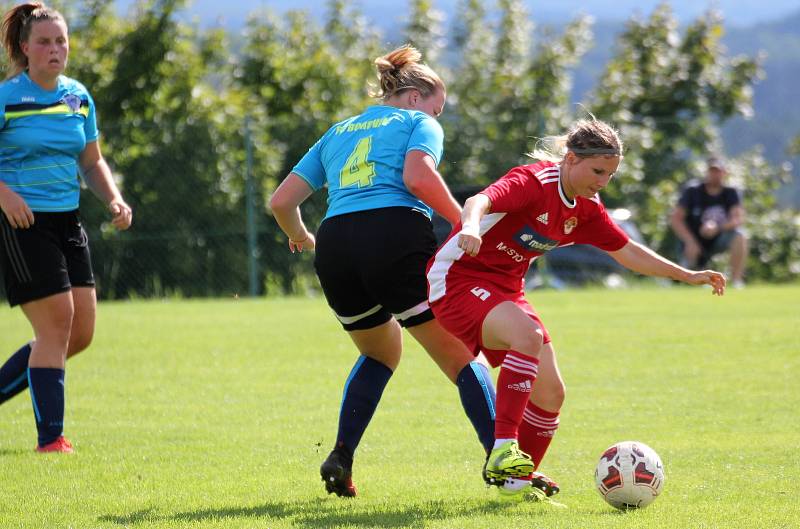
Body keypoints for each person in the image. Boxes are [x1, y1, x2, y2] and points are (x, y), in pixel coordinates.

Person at [427, 117, 726, 500]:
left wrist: (687, 275)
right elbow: (479, 201)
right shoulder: (534, 182)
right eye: (598, 171)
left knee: (551, 394)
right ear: (570, 158)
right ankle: (503, 450)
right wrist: (470, 227)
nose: (603, 181)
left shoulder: (585, 208)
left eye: (611, 174)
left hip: (505, 289)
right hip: (456, 280)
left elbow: (628, 252)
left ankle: (517, 485)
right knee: (528, 336)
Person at [269, 45, 496, 497]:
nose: (439, 117)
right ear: (416, 98)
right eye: (439, 108)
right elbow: (418, 178)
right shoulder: (418, 123)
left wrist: (299, 234)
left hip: (334, 244)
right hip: (393, 234)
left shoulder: (338, 131)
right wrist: (460, 220)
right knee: (463, 356)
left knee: (380, 352)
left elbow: (281, 202)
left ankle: (342, 456)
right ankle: (507, 465)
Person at [0, 3, 132, 453]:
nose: (54, 49)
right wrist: (5, 195)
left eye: (61, 41)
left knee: (78, 335)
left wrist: (113, 197)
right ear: (24, 47)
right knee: (57, 326)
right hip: (22, 222)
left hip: (68, 221)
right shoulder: (6, 98)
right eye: (44, 42)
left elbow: (91, 161)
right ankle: (50, 440)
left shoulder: (77, 96)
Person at [670, 156, 747, 287]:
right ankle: (692, 278)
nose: (714, 174)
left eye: (718, 171)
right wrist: (690, 241)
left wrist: (717, 228)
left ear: (724, 172)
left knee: (740, 235)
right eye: (712, 171)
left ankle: (736, 281)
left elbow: (737, 219)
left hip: (719, 238)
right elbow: (676, 219)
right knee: (690, 269)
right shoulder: (693, 191)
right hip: (693, 239)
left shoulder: (731, 192)